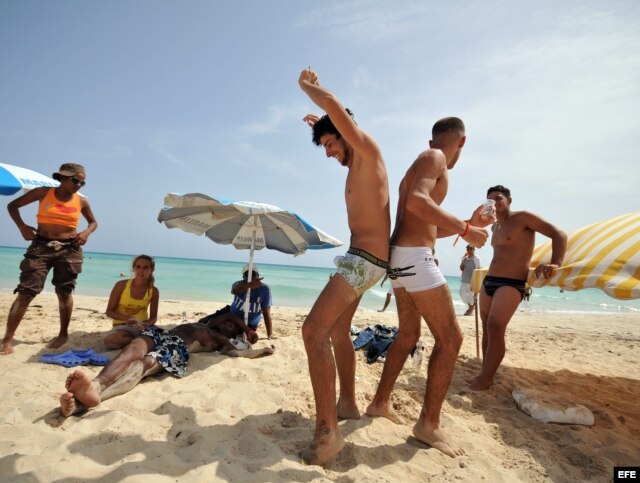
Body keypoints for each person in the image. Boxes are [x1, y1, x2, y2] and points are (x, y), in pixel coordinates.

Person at [365, 117, 490, 458]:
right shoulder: (435, 158)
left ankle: (379, 403)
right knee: (451, 339)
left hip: (401, 256)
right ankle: (428, 425)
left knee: (408, 335)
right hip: (414, 258)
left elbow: (425, 223)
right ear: (462, 142)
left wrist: (469, 223)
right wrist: (466, 230)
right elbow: (417, 204)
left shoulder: (424, 162)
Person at [298, 68, 390, 465]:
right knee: (335, 330)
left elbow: (336, 108)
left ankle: (328, 431)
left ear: (348, 132)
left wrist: (308, 89)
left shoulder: (366, 150)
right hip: (363, 259)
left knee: (312, 330)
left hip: (365, 260)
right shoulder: (356, 164)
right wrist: (321, 126)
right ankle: (348, 403)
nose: (329, 152)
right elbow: (333, 119)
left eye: (331, 144)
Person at [59, 313, 273, 417]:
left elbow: (236, 353)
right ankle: (95, 385)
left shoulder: (221, 340)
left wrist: (260, 349)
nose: (227, 324)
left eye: (230, 327)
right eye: (228, 322)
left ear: (232, 334)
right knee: (133, 350)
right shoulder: (206, 323)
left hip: (178, 346)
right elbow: (228, 315)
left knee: (145, 364)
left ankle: (87, 401)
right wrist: (240, 323)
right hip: (161, 333)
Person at [469, 185, 566, 390]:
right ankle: (485, 373)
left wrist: (556, 263)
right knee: (487, 328)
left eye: (499, 198)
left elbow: (559, 234)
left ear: (509, 201)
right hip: (489, 281)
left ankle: (486, 379)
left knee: (495, 326)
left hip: (511, 283)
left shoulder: (523, 218)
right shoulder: (494, 226)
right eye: (490, 200)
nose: (494, 203)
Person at [1, 163, 97, 355]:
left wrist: (86, 233)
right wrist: (22, 227)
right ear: (62, 178)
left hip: (70, 250)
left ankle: (63, 334)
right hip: (41, 247)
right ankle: (8, 338)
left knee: (64, 292)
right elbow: (12, 206)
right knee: (27, 291)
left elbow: (93, 222)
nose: (79, 184)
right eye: (75, 180)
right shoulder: (43, 193)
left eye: (82, 182)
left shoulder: (81, 201)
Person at [103, 255, 160, 350]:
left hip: (142, 327)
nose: (141, 270)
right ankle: (141, 341)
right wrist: (127, 318)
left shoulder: (153, 291)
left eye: (145, 267)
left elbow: (153, 317)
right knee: (111, 340)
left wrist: (147, 324)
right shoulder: (121, 285)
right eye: (138, 267)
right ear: (133, 269)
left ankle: (140, 341)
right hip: (122, 327)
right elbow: (109, 312)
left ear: (152, 270)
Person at [229, 264, 273, 339]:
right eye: (247, 275)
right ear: (243, 277)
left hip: (250, 324)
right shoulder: (238, 284)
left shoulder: (264, 289)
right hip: (233, 318)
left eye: (253, 274)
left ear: (258, 276)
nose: (250, 277)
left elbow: (266, 313)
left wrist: (270, 335)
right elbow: (234, 290)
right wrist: (249, 285)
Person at [459, 245, 481, 316]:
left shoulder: (476, 259)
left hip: (471, 281)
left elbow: (478, 270)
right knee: (461, 294)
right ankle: (471, 307)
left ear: (474, 249)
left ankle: (470, 310)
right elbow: (462, 268)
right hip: (464, 280)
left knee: (471, 296)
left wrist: (476, 282)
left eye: (470, 249)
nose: (468, 250)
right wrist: (462, 260)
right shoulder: (465, 258)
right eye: (467, 249)